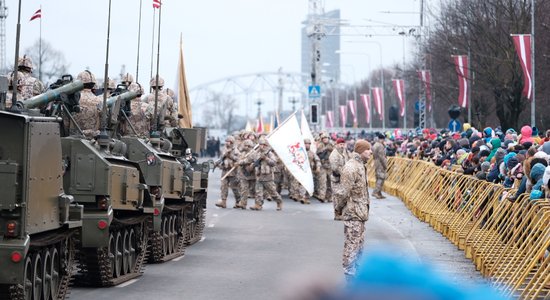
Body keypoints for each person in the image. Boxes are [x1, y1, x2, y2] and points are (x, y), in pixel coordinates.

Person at [334, 139, 372, 281]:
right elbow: (343, 192)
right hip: (353, 213)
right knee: (351, 246)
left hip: (360, 213)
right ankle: (349, 277)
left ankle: (358, 275)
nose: (370, 152)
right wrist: (338, 208)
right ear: (361, 151)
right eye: (368, 149)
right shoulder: (351, 167)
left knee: (359, 247)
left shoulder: (360, 165)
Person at [246, 137, 283, 211]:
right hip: (259, 175)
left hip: (268, 176)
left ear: (266, 145)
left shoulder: (269, 153)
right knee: (258, 192)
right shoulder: (256, 153)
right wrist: (251, 165)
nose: (261, 146)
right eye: (260, 144)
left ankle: (279, 202)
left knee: (273, 192)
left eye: (263, 145)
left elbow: (274, 163)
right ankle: (258, 204)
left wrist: (266, 158)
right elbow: (250, 160)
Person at [72, 70, 102, 138]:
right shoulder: (100, 101)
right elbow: (104, 122)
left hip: (74, 138)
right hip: (94, 140)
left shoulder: (73, 100)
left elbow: (66, 122)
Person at [215, 136, 242, 209]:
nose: (227, 143)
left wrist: (231, 156)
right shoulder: (224, 150)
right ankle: (223, 202)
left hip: (233, 172)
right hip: (225, 171)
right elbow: (221, 159)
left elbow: (239, 160)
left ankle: (238, 201)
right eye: (226, 141)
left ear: (232, 142)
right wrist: (216, 164)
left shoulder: (236, 151)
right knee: (224, 186)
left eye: (228, 141)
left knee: (234, 188)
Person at [329, 137, 350, 220]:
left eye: (343, 144)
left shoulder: (344, 152)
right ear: (336, 145)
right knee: (337, 196)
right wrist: (344, 172)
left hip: (343, 178)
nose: (342, 146)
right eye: (340, 144)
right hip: (336, 178)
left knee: (344, 195)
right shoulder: (334, 154)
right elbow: (335, 168)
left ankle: (342, 212)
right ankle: (337, 214)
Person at [316, 132, 334, 202]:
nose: (325, 139)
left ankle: (329, 196)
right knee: (322, 181)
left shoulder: (332, 145)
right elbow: (318, 154)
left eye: (326, 138)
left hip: (330, 166)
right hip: (322, 165)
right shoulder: (320, 146)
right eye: (323, 138)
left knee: (330, 182)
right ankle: (322, 196)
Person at [372, 133, 388, 199]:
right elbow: (382, 157)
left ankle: (379, 193)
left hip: (376, 162)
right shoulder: (380, 146)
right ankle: (376, 192)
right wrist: (385, 165)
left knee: (378, 177)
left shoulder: (375, 145)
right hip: (380, 163)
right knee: (381, 178)